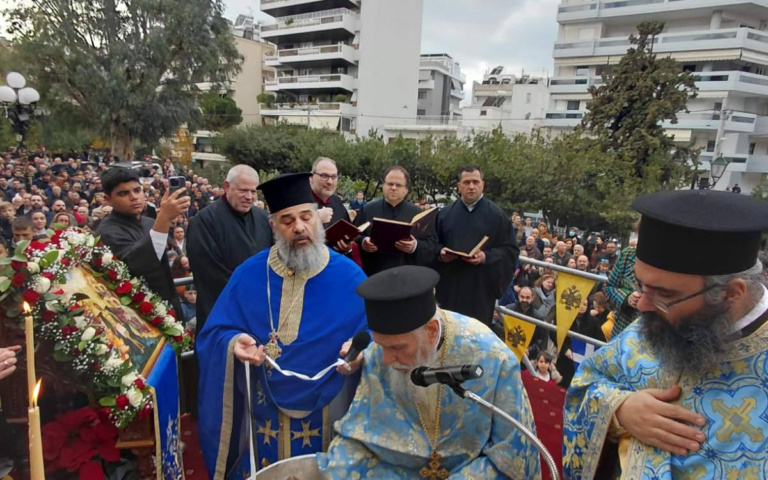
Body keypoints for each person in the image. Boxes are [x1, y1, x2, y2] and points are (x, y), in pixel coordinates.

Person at [564, 190, 768, 479]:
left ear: (731, 293)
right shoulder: (653, 324)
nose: (643, 305)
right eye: (641, 285)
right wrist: (619, 410)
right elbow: (586, 383)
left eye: (664, 294)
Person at [197, 173, 368, 478]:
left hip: (331, 410)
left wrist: (362, 353)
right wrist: (234, 343)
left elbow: (379, 340)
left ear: (318, 220)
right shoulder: (249, 274)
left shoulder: (351, 277)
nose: (299, 228)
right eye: (287, 221)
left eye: (306, 217)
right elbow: (214, 334)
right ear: (273, 226)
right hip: (262, 411)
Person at [317, 265, 541, 478]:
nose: (386, 359)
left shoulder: (492, 358)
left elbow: (512, 455)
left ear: (431, 331)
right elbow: (361, 434)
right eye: (381, 346)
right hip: (395, 471)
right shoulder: (381, 351)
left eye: (397, 347)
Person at [187, 165, 273, 334]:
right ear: (226, 187)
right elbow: (209, 273)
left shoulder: (264, 219)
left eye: (253, 192)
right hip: (222, 313)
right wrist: (252, 291)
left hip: (260, 312)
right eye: (243, 190)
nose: (249, 197)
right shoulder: (203, 221)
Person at [96, 167, 188, 320]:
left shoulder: (149, 222)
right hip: (137, 315)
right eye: (123, 193)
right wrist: (164, 217)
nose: (134, 197)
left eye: (137, 190)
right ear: (108, 199)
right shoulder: (107, 231)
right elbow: (139, 263)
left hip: (168, 305)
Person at [434, 166, 518, 327]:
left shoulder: (497, 216)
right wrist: (440, 252)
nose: (471, 186)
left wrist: (486, 256)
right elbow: (433, 243)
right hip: (450, 286)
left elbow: (510, 250)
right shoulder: (445, 214)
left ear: (483, 185)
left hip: (480, 288)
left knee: (476, 335)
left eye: (475, 182)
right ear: (458, 186)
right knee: (448, 333)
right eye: (466, 182)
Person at [353, 166, 437, 276]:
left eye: (398, 185)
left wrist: (415, 246)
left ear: (406, 189)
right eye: (390, 184)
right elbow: (354, 235)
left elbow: (431, 244)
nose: (393, 188)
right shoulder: (367, 209)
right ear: (383, 186)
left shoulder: (418, 214)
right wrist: (364, 242)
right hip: (374, 273)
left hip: (406, 275)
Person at [309, 158, 359, 263]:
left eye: (334, 177)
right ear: (311, 177)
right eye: (324, 176)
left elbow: (349, 235)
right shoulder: (301, 202)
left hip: (336, 264)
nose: (330, 182)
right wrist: (315, 218)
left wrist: (347, 246)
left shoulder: (337, 202)